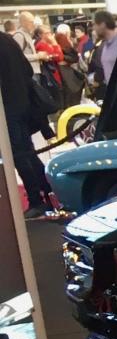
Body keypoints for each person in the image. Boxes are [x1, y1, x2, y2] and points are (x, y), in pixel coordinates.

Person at [0, 30, 61, 218]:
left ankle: (37, 199)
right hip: (22, 103)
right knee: (27, 152)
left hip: (8, 108)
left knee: (20, 155)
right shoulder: (7, 40)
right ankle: (48, 192)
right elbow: (27, 69)